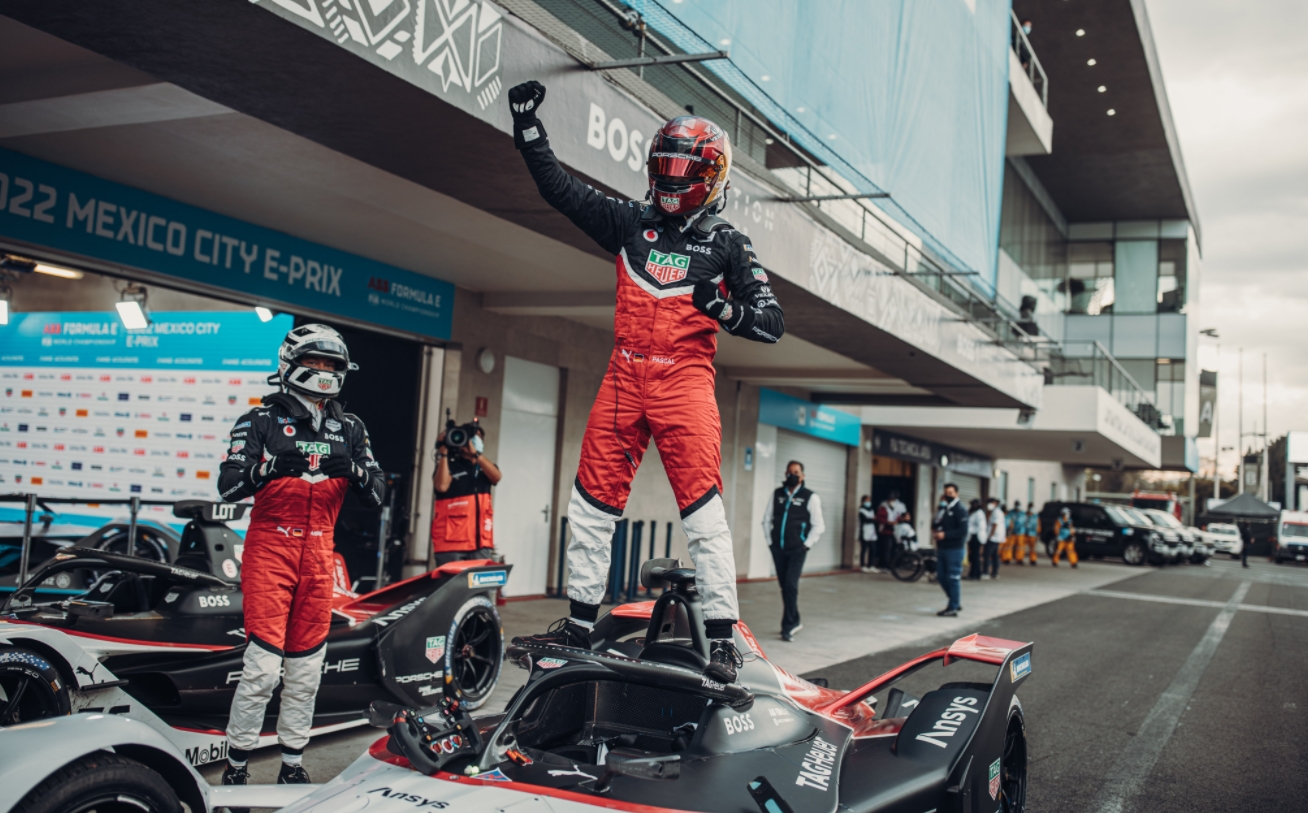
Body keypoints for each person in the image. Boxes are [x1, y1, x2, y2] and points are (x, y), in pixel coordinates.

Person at [505, 80, 785, 684]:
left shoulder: (732, 246)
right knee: (590, 504)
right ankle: (579, 624)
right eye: (665, 167)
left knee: (703, 515)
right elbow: (561, 191)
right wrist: (530, 129)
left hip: (684, 385)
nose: (671, 179)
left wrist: (726, 311)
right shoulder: (632, 221)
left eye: (683, 170)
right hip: (623, 374)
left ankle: (723, 638)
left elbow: (773, 322)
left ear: (710, 178)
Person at [217, 324, 385, 786]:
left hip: (319, 553)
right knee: (262, 669)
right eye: (316, 362)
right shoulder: (260, 420)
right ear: (291, 363)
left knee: (307, 668)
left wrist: (353, 468)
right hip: (270, 548)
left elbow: (378, 494)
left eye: (333, 364)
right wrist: (267, 467)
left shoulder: (351, 427)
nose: (325, 372)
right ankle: (237, 765)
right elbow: (228, 485)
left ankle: (292, 764)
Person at [763, 461, 824, 641]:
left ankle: (788, 626)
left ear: (802, 476)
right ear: (785, 474)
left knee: (790, 585)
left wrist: (806, 545)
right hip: (778, 549)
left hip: (797, 550)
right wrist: (770, 542)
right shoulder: (777, 494)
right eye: (790, 472)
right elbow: (766, 520)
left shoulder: (810, 497)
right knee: (785, 587)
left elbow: (819, 525)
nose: (792, 475)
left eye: (796, 472)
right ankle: (795, 619)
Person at [431, 424, 502, 565]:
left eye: (478, 438)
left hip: (480, 542)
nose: (473, 442)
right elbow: (441, 486)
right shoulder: (450, 465)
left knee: (479, 587)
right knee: (452, 585)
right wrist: (444, 452)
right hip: (451, 544)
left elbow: (497, 477)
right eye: (471, 438)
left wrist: (476, 454)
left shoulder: (484, 468)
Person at [932, 484, 968, 616]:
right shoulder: (945, 509)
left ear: (957, 494)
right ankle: (955, 601)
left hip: (954, 549)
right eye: (946, 493)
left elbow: (963, 531)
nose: (948, 495)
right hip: (943, 548)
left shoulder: (960, 510)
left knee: (952, 578)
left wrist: (945, 535)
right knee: (941, 577)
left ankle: (953, 607)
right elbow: (937, 524)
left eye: (951, 493)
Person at [875, 490, 907, 571]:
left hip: (897, 531)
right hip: (886, 530)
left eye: (893, 499)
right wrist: (888, 522)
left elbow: (904, 516)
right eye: (890, 499)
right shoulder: (883, 505)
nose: (891, 501)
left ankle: (895, 565)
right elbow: (880, 518)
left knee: (896, 548)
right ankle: (885, 565)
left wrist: (900, 520)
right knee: (887, 548)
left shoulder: (901, 505)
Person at [983, 497, 1005, 579]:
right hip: (996, 537)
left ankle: (985, 572)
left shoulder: (996, 512)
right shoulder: (995, 512)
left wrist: (990, 535)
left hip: (993, 537)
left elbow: (995, 524)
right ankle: (995, 572)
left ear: (995, 503)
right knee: (995, 555)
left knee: (987, 554)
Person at [966, 499, 986, 580]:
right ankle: (975, 573)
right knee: (973, 556)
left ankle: (974, 574)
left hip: (976, 537)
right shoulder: (973, 513)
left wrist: (971, 530)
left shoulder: (979, 514)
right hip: (972, 536)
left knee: (975, 556)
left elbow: (980, 526)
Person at [857, 495, 878, 573]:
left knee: (873, 549)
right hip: (864, 532)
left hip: (872, 532)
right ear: (863, 501)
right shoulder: (861, 510)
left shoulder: (871, 510)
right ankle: (863, 565)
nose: (868, 502)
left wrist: (872, 519)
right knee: (864, 549)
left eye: (869, 500)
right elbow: (865, 520)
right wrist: (872, 519)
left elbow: (874, 520)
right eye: (866, 501)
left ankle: (871, 565)